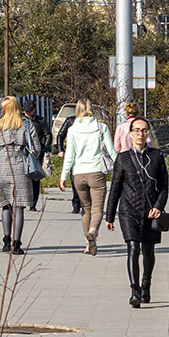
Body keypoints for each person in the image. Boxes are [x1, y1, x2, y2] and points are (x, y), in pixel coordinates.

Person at [104, 117, 169, 308]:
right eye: (137, 130)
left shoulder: (156, 156)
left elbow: (164, 186)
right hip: (128, 211)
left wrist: (158, 206)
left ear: (148, 134)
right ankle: (134, 290)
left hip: (151, 213)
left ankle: (146, 284)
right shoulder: (123, 158)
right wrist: (110, 215)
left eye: (144, 130)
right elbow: (115, 188)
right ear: (130, 133)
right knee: (133, 248)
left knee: (148, 251)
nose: (141, 134)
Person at [59, 99, 116, 256]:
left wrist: (63, 176)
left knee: (86, 209)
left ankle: (87, 244)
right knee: (97, 208)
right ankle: (93, 232)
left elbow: (69, 155)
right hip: (96, 172)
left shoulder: (72, 130)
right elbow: (111, 151)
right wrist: (122, 167)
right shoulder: (101, 127)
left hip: (78, 174)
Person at [0, 97, 35, 254]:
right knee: (19, 206)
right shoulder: (26, 125)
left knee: (5, 204)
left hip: (4, 167)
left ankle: (6, 240)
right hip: (21, 166)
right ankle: (17, 243)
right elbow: (37, 147)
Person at [21, 100, 51, 211]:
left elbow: (48, 134)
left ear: (34, 110)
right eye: (26, 111)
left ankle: (33, 203)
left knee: (35, 176)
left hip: (36, 153)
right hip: (23, 152)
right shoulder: (20, 120)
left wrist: (44, 148)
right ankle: (22, 202)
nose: (28, 113)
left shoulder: (40, 121)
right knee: (23, 177)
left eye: (30, 111)